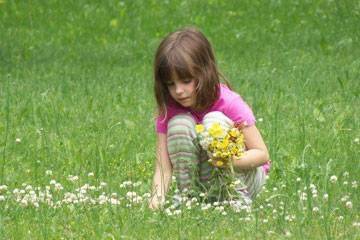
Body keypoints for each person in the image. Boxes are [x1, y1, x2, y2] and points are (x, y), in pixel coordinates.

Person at [149, 27, 270, 209]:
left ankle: (234, 200)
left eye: (186, 81)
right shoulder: (170, 110)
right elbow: (163, 167)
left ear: (204, 72)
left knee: (213, 121)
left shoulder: (229, 102)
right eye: (170, 84)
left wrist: (227, 161)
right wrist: (155, 202)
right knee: (179, 124)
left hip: (244, 178)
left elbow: (262, 155)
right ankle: (191, 198)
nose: (178, 91)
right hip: (206, 182)